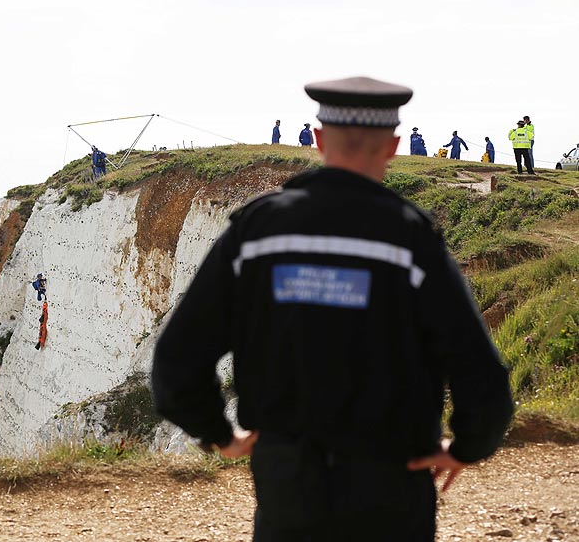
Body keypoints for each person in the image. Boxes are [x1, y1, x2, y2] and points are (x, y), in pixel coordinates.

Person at [152, 76, 514, 542]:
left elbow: (176, 361)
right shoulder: (412, 242)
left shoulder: (255, 236)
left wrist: (220, 436)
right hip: (391, 483)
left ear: (319, 139)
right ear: (393, 146)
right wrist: (467, 446)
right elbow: (479, 375)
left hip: (288, 480)